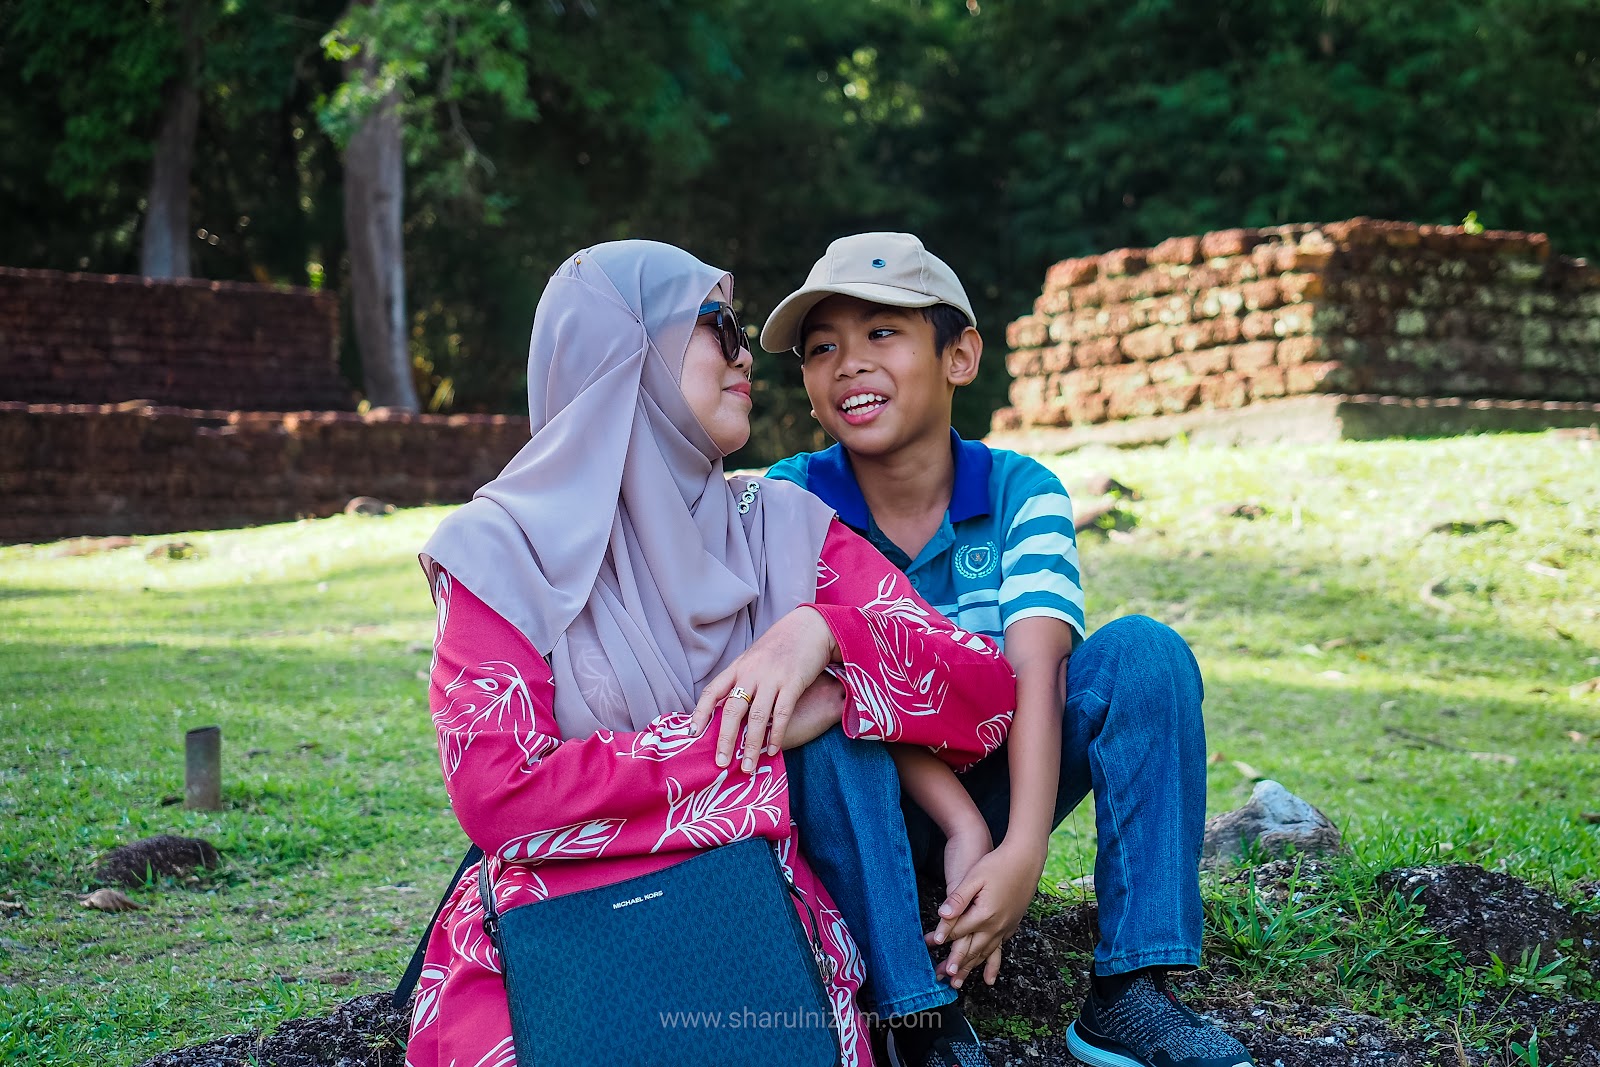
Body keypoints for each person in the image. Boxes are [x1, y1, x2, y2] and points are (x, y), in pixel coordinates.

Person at [404, 239, 1018, 1067]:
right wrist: (754, 736)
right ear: (628, 348)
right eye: (717, 324)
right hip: (554, 941)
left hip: (752, 929)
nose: (745, 354)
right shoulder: (499, 554)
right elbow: (501, 794)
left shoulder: (779, 524)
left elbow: (984, 688)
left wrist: (829, 634)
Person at [762, 232, 1255, 1067]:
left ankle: (1132, 991)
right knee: (830, 714)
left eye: (882, 333)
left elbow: (1039, 670)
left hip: (995, 783)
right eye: (822, 348)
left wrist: (1021, 849)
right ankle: (910, 1011)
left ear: (959, 355)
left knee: (1145, 652)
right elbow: (847, 695)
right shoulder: (789, 501)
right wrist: (957, 825)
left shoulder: (1020, 490)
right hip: (855, 809)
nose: (849, 363)